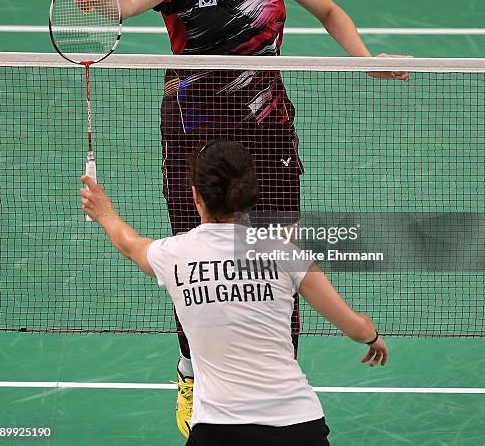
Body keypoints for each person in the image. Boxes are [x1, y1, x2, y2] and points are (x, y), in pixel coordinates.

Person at [79, 0, 407, 438]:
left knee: (279, 259)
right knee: (192, 263)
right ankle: (191, 374)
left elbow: (329, 10)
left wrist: (365, 61)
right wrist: (103, 3)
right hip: (193, 144)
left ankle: (280, 373)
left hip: (268, 135)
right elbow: (129, 0)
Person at [80, 139, 388, 446]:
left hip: (218, 430)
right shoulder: (284, 253)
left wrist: (105, 212)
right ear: (248, 197)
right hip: (298, 427)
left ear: (196, 196)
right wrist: (372, 337)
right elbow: (356, 327)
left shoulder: (173, 255)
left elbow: (129, 245)